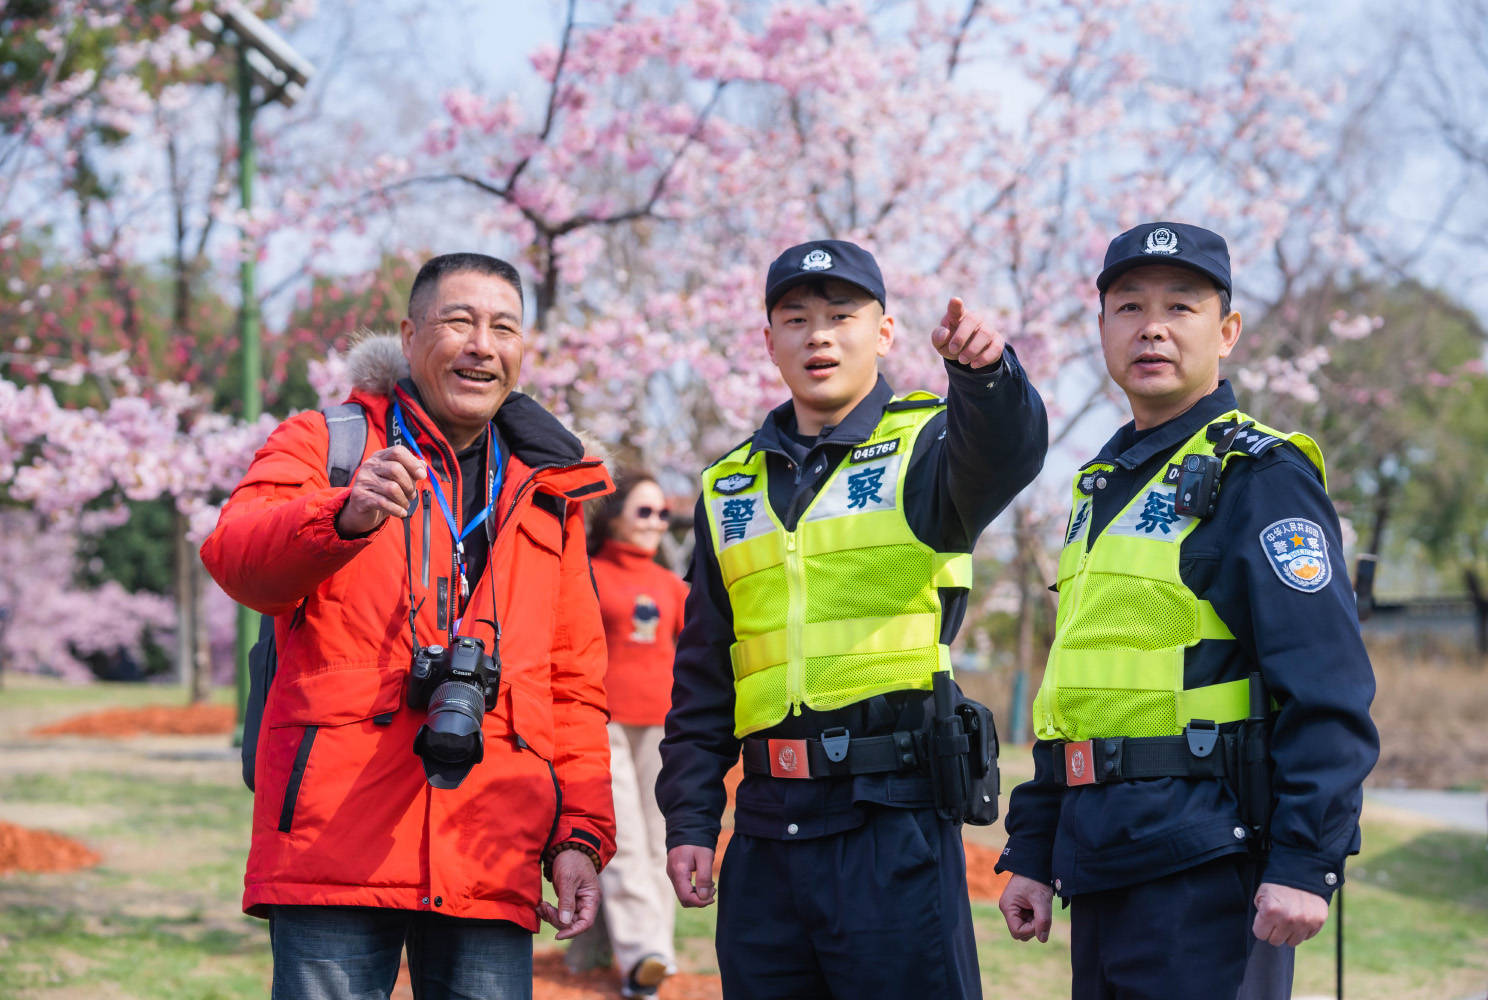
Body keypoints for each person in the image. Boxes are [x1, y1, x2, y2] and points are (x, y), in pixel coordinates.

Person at [201, 252, 616, 1000]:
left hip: (494, 835)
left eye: (504, 328)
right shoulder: (327, 443)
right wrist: (342, 515)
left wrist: (579, 833)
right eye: (459, 321)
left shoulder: (551, 486)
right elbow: (237, 559)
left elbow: (575, 680)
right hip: (338, 836)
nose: (482, 344)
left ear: (523, 351)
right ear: (408, 333)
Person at [995, 222, 1380, 999]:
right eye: (1129, 307)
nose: (1153, 327)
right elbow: (1075, 689)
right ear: (1102, 329)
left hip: (1208, 872)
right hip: (1103, 864)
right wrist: (1033, 847)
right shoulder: (1100, 489)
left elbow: (1328, 685)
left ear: (1227, 331)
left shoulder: (1259, 476)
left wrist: (1307, 861)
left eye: (1182, 307)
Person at [657, 239, 1048, 998]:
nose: (819, 336)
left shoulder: (931, 444)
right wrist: (691, 818)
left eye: (841, 315)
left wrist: (986, 378)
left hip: (892, 826)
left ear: (886, 331)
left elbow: (1009, 449)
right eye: (796, 319)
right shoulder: (727, 486)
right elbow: (705, 670)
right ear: (768, 341)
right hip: (767, 832)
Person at [581, 472, 690, 998]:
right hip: (601, 722)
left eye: (663, 515)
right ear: (616, 515)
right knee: (622, 838)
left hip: (663, 726)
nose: (656, 524)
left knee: (660, 839)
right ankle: (643, 956)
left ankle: (655, 954)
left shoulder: (673, 585)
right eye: (645, 512)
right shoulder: (586, 573)